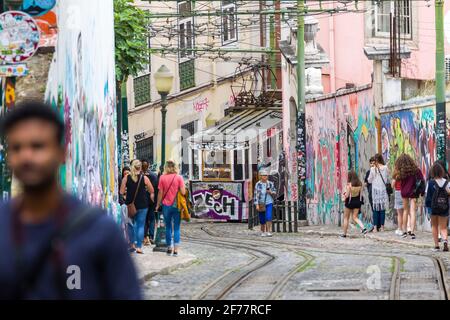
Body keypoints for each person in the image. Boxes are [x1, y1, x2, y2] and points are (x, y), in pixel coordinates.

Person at [0, 101, 141, 299]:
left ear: (62, 153)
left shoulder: (100, 231)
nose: (26, 156)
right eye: (16, 148)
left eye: (37, 146)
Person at [120, 159, 154, 254]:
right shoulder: (144, 178)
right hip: (143, 205)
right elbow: (152, 191)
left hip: (130, 205)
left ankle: (132, 245)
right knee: (140, 226)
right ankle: (139, 247)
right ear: (140, 167)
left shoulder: (126, 178)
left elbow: (121, 192)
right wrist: (151, 198)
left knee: (130, 226)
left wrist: (126, 198)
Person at [155, 160, 186, 257]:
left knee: (168, 227)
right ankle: (176, 250)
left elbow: (160, 193)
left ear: (166, 167)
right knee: (176, 227)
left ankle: (169, 247)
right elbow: (183, 192)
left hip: (166, 205)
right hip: (177, 205)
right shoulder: (179, 177)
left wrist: (157, 204)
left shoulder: (162, 178)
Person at [396, 153, 425, 240]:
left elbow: (397, 180)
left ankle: (404, 231)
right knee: (412, 212)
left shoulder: (401, 171)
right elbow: (422, 180)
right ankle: (412, 232)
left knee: (405, 211)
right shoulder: (416, 170)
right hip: (413, 192)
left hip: (404, 192)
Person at [425, 163, 449, 252]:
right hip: (444, 207)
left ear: (432, 172)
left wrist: (427, 208)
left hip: (433, 207)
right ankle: (445, 241)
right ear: (441, 172)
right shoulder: (447, 183)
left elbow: (427, 196)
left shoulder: (430, 183)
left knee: (434, 226)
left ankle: (436, 246)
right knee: (443, 227)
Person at [340, 171, 367, 237]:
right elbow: (360, 193)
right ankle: (363, 228)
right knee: (355, 217)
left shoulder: (349, 185)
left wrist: (344, 194)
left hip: (349, 202)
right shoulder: (360, 184)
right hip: (357, 202)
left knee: (346, 218)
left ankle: (344, 234)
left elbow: (347, 195)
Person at [367, 153, 389, 232]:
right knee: (382, 209)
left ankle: (375, 228)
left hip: (375, 191)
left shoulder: (373, 169)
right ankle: (382, 227)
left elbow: (369, 180)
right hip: (382, 190)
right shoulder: (385, 168)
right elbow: (386, 179)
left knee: (375, 209)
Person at [254, 169, 277, 237]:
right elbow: (256, 195)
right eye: (264, 175)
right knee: (262, 219)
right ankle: (263, 231)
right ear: (261, 176)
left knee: (268, 217)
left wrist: (270, 192)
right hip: (261, 203)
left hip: (269, 202)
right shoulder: (258, 184)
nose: (265, 177)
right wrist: (256, 204)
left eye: (266, 175)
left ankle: (268, 231)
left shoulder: (270, 183)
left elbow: (274, 191)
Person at [142, 160, 159, 246]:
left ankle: (145, 236)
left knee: (144, 219)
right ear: (148, 165)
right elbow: (156, 189)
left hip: (142, 201)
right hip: (152, 201)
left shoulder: (139, 175)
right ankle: (151, 236)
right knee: (152, 219)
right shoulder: (154, 176)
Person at [391, 160, 404, 236]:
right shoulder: (405, 174)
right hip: (405, 193)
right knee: (406, 211)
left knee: (399, 213)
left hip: (398, 192)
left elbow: (392, 185)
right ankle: (407, 228)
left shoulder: (396, 175)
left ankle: (400, 229)